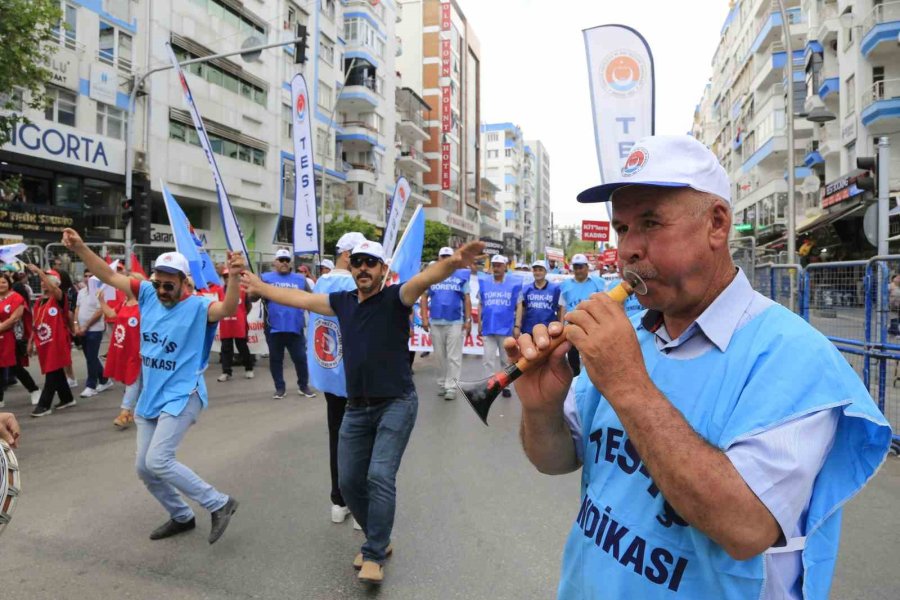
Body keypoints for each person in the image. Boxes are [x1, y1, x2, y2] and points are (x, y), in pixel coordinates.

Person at [506, 135, 892, 600]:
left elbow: (745, 528)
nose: (629, 248)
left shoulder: (795, 357)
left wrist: (628, 382)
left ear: (716, 223)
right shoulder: (629, 332)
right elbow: (558, 460)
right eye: (623, 227)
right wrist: (541, 408)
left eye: (650, 222)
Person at [242, 238, 484, 585]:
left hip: (397, 403)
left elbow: (423, 280)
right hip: (356, 407)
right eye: (358, 262)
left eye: (371, 263)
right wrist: (261, 286)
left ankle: (373, 552)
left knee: (379, 475)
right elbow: (301, 299)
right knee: (349, 480)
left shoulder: (395, 298)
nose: (363, 269)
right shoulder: (342, 302)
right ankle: (379, 538)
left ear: (383, 269)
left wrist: (452, 262)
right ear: (351, 267)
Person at [62, 229, 243, 544]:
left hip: (183, 394)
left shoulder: (200, 307)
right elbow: (106, 273)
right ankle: (181, 516)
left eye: (168, 285)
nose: (161, 289)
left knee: (159, 460)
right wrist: (80, 248)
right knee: (145, 469)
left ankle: (219, 503)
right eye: (157, 282)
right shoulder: (146, 292)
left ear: (185, 282)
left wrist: (235, 278)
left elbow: (227, 309)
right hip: (152, 395)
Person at [306, 231, 365, 525]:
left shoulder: (322, 282)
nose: (365, 265)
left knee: (337, 436)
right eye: (361, 258)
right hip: (353, 374)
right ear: (348, 256)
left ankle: (338, 500)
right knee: (361, 440)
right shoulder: (351, 285)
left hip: (328, 370)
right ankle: (358, 504)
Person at [255, 248, 315, 399]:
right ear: (275, 262)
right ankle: (280, 388)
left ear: (291, 263)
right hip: (273, 327)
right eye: (281, 260)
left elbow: (311, 300)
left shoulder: (300, 279)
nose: (284, 263)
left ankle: (303, 386)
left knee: (300, 358)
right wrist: (255, 291)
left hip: (295, 326)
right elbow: (252, 298)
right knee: (276, 359)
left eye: (287, 260)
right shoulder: (265, 278)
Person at [421, 246, 471, 401]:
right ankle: (443, 383)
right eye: (443, 256)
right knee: (440, 356)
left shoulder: (461, 276)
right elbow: (424, 297)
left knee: (453, 357)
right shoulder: (432, 275)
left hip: (455, 321)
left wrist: (468, 320)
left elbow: (467, 299)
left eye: (448, 256)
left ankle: (451, 387)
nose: (445, 259)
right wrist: (424, 317)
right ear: (439, 258)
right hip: (435, 321)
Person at [27, 266, 75, 417]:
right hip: (44, 342)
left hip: (58, 342)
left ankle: (44, 405)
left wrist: (38, 271)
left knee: (52, 370)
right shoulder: (39, 301)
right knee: (56, 369)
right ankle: (67, 398)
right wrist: (30, 342)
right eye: (41, 281)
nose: (42, 283)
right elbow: (36, 324)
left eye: (45, 280)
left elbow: (54, 289)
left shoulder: (59, 297)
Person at [99, 280, 142, 429]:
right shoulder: (125, 303)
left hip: (138, 350)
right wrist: (101, 301)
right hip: (123, 347)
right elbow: (111, 314)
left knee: (132, 380)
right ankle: (139, 410)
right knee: (136, 381)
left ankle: (125, 412)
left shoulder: (144, 305)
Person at [477, 255, 521, 398]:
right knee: (488, 359)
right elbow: (480, 303)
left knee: (505, 359)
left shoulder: (514, 283)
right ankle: (490, 385)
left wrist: (517, 325)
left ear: (505, 267)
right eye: (494, 265)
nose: (496, 268)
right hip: (488, 326)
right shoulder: (484, 282)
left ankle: (505, 385)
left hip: (506, 327)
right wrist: (479, 322)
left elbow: (519, 305)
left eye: (498, 265)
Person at [558, 253, 604, 376]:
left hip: (591, 328)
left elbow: (604, 305)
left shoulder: (598, 283)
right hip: (571, 328)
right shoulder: (565, 285)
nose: (578, 270)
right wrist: (561, 326)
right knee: (573, 359)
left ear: (587, 267)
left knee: (591, 358)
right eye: (576, 267)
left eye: (581, 267)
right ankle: (575, 383)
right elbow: (563, 307)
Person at [75, 268, 114, 398]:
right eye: (86, 276)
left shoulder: (100, 292)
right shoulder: (81, 292)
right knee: (90, 357)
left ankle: (91, 385)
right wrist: (76, 325)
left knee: (91, 358)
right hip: (82, 329)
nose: (88, 278)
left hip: (94, 329)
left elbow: (99, 312)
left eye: (91, 276)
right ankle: (105, 379)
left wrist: (86, 325)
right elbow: (77, 308)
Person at [216, 265, 255, 382]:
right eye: (225, 276)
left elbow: (248, 306)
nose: (228, 278)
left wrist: (241, 315)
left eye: (230, 276)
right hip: (226, 324)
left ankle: (249, 368)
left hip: (239, 324)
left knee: (242, 347)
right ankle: (226, 372)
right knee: (226, 348)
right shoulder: (219, 290)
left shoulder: (243, 290)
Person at [0, 273, 27, 409]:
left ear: (9, 283)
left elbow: (15, 318)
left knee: (16, 367)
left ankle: (34, 389)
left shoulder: (16, 297)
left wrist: (1, 327)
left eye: (4, 282)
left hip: (12, 337)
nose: (1, 285)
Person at [516, 260, 562, 338]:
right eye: (535, 270)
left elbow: (559, 309)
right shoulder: (526, 289)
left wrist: (560, 325)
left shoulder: (555, 289)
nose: (537, 273)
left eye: (540, 270)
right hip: (529, 328)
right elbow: (522, 309)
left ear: (546, 272)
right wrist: (518, 325)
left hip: (548, 329)